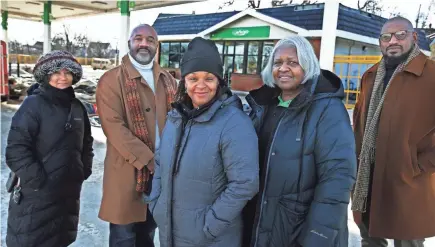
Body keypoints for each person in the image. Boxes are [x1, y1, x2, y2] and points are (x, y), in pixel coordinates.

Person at [145, 37, 260, 247]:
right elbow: (161, 162)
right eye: (193, 78)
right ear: (184, 82)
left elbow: (245, 183)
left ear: (219, 81)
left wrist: (210, 225)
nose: (201, 85)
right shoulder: (176, 118)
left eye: (209, 78)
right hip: (170, 232)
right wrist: (156, 204)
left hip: (212, 238)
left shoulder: (234, 122)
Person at [243, 36, 357, 247]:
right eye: (277, 63)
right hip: (263, 223)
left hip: (300, 229)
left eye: (292, 63)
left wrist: (318, 236)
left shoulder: (328, 110)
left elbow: (337, 178)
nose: (283, 68)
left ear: (307, 65)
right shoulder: (263, 105)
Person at [352, 16, 435, 247]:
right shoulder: (370, 76)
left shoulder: (431, 76)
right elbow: (359, 123)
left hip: (409, 181)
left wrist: (419, 165)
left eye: (401, 35)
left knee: (407, 241)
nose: (393, 41)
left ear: (414, 37)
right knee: (370, 240)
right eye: (386, 37)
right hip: (367, 179)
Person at [96, 24, 177, 246]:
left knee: (147, 235)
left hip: (161, 175)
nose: (144, 44)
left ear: (156, 46)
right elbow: (114, 128)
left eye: (150, 40)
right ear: (129, 43)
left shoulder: (168, 80)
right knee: (123, 237)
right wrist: (150, 160)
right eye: (138, 39)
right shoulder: (111, 80)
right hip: (126, 173)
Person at [5, 50, 94, 247]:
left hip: (68, 193)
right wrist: (39, 180)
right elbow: (16, 150)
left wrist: (83, 169)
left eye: (67, 72)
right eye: (56, 72)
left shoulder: (78, 107)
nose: (63, 77)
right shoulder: (33, 105)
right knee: (32, 240)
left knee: (60, 239)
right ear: (46, 75)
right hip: (37, 195)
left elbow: (87, 143)